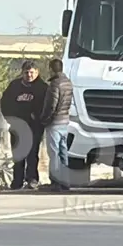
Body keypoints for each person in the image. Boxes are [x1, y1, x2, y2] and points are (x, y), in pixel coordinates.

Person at [0, 60, 48, 190]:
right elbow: (5, 103)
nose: (29, 75)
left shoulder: (42, 88)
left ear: (37, 72)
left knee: (32, 154)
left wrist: (38, 118)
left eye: (32, 72)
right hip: (18, 127)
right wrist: (10, 119)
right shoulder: (14, 86)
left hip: (34, 127)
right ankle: (17, 181)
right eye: (26, 72)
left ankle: (32, 179)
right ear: (22, 73)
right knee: (18, 154)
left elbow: (47, 106)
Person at [40, 58, 74, 191]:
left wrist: (44, 119)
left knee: (53, 153)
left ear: (51, 69)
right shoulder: (68, 82)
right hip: (65, 122)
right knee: (63, 152)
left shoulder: (55, 84)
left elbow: (51, 105)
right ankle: (65, 181)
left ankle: (55, 181)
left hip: (54, 123)